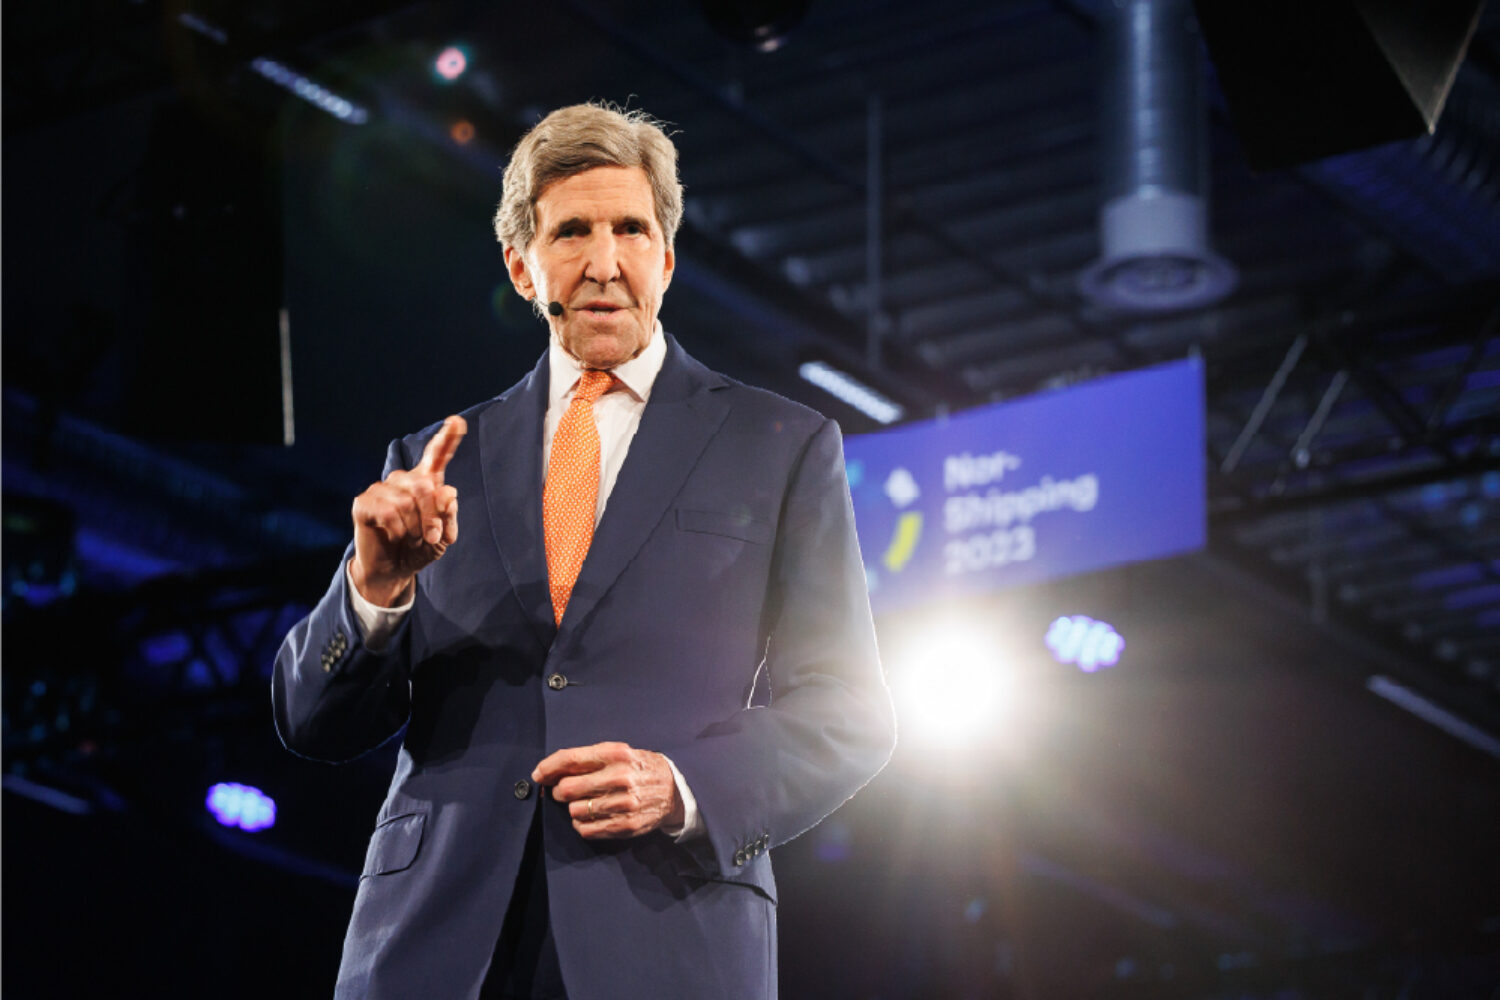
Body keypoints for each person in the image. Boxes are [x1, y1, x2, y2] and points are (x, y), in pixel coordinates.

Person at [273, 102, 895, 1000]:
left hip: (666, 936)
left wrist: (685, 787)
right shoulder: (437, 460)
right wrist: (374, 585)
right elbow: (313, 722)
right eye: (571, 232)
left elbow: (849, 713)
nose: (605, 263)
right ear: (522, 267)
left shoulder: (781, 443)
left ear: (667, 256)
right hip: (436, 947)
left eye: (631, 229)